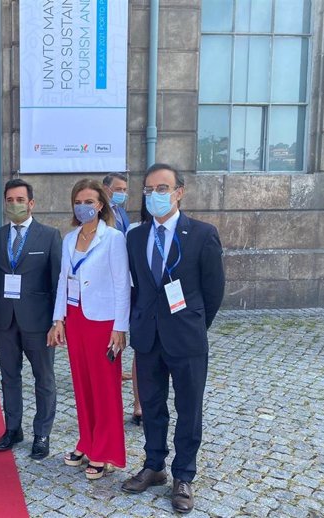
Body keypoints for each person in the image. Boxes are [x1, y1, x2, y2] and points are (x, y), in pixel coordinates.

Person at [122, 163, 225, 514]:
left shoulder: (201, 234)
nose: (155, 195)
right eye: (149, 190)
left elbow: (213, 291)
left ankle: (183, 475)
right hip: (148, 337)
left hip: (186, 338)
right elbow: (136, 286)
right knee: (151, 405)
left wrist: (194, 324)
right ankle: (154, 466)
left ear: (179, 191)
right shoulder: (135, 237)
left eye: (162, 188)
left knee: (188, 408)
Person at [50, 179, 131, 480]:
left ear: (100, 205)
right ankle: (86, 440)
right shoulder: (69, 239)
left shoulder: (113, 238)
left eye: (89, 201)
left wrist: (120, 327)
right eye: (78, 201)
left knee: (104, 387)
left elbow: (123, 283)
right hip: (75, 318)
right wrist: (58, 319)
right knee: (82, 385)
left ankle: (105, 451)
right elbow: (63, 280)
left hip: (103, 322)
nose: (84, 206)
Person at [0, 179, 62, 460]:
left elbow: (57, 283)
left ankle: (42, 433)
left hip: (39, 322)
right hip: (5, 319)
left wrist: (57, 321)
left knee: (44, 379)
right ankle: (13, 428)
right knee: (9, 377)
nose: (14, 204)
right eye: (9, 200)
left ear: (31, 203)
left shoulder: (50, 236)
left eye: (20, 199)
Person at [103, 172, 142, 425]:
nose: (123, 193)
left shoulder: (122, 213)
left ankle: (138, 401)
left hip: (127, 282)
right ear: (106, 189)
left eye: (126, 189)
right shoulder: (101, 214)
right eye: (119, 188)